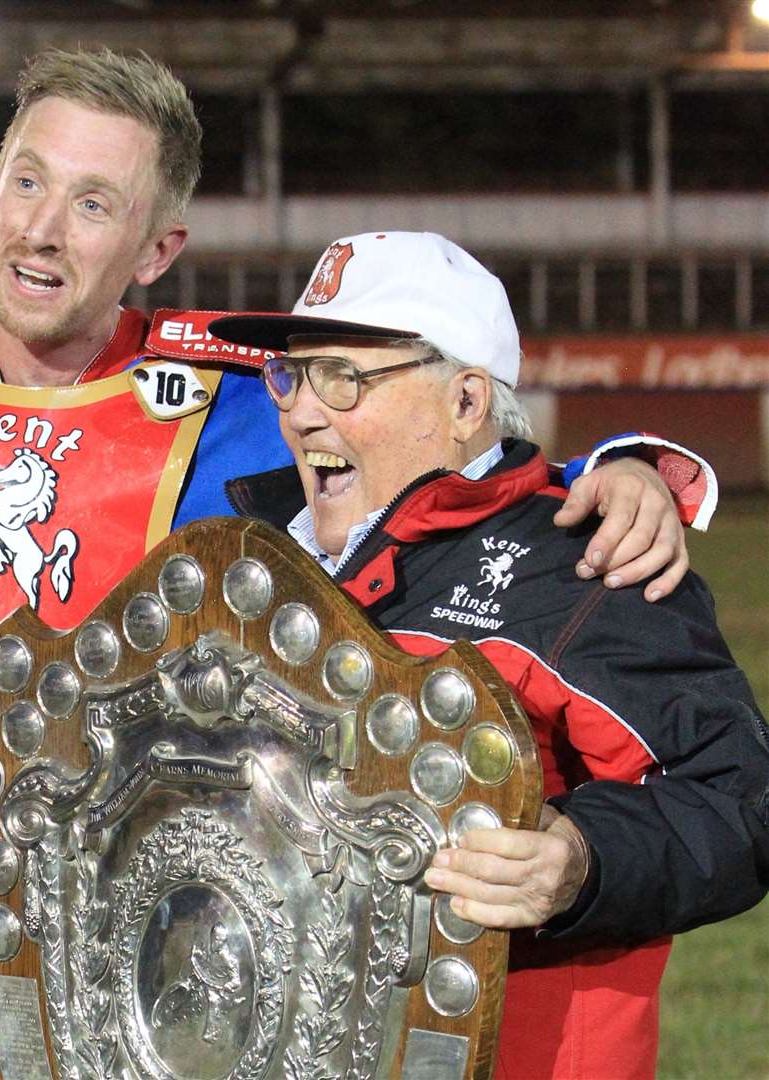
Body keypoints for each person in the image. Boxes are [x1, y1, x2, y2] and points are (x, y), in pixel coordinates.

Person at [0, 50, 712, 1080]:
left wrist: (628, 471)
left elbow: (449, 456)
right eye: (27, 184)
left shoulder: (241, 397)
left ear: (155, 248)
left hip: (131, 991)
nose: (43, 232)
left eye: (95, 206)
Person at [198, 231, 767, 1079]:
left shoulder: (589, 564)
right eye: (293, 373)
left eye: (341, 377)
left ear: (466, 402)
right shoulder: (253, 564)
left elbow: (741, 798)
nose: (299, 410)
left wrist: (582, 860)